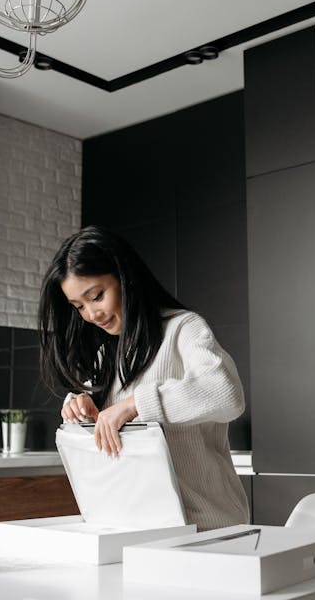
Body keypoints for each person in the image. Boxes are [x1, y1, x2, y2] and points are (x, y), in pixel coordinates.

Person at [38, 225, 250, 533]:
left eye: (97, 296)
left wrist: (134, 405)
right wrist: (82, 411)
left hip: (210, 527)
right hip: (139, 529)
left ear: (125, 277)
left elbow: (226, 394)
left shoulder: (183, 329)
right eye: (79, 306)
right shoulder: (105, 357)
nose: (91, 314)